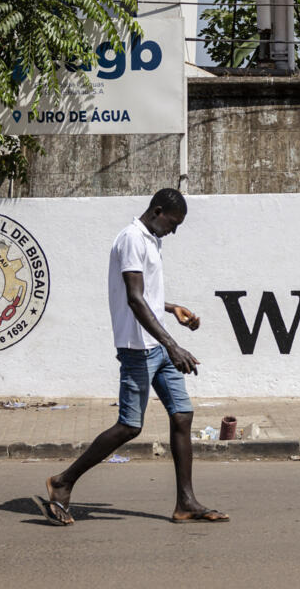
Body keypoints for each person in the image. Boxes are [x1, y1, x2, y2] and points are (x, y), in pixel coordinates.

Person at [38, 188, 228, 525]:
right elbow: (134, 298)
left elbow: (147, 295)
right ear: (157, 211)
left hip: (158, 345)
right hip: (138, 349)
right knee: (129, 426)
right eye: (173, 223)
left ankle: (185, 503)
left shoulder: (152, 240)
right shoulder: (131, 239)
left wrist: (172, 308)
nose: (174, 231)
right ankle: (63, 482)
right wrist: (174, 345)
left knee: (182, 416)